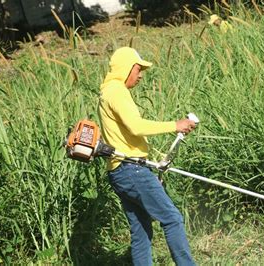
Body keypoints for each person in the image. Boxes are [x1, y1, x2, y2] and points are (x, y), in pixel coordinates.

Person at [98, 46, 196, 266]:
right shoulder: (117, 91)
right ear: (127, 68)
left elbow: (126, 135)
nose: (141, 74)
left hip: (119, 172)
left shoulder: (106, 91)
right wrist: (175, 125)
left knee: (141, 231)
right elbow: (135, 126)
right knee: (172, 219)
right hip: (132, 171)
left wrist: (155, 154)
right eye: (138, 69)